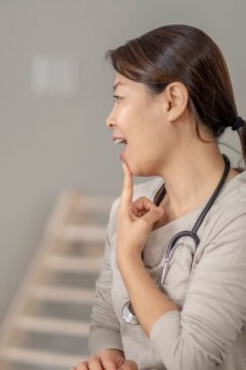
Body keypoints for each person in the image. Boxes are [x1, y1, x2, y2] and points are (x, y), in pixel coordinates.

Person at [74, 25, 246, 370]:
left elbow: (191, 359)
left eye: (119, 97)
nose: (110, 119)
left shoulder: (237, 215)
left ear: (173, 102)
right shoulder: (128, 208)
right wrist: (109, 358)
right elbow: (105, 322)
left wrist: (128, 257)